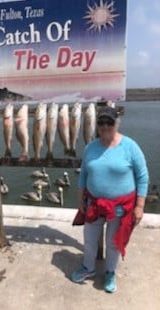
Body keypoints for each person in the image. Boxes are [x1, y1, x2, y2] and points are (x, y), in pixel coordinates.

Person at [71, 106, 149, 293]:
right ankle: (88, 268)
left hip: (121, 207)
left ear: (117, 123)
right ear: (96, 125)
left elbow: (142, 177)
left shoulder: (130, 146)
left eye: (109, 122)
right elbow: (84, 175)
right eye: (101, 122)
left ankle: (110, 272)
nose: (105, 126)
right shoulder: (90, 147)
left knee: (113, 243)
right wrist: (80, 197)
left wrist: (140, 206)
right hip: (94, 204)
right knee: (89, 240)